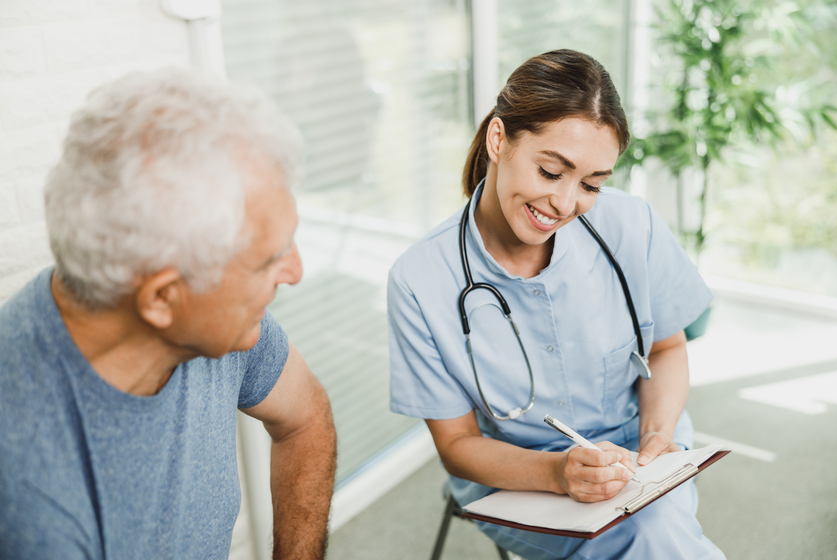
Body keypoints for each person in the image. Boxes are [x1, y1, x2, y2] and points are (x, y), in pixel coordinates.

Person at [387, 49, 725, 559]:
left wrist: (656, 437)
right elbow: (457, 446)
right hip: (518, 480)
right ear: (499, 140)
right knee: (652, 542)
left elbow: (666, 349)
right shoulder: (421, 281)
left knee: (653, 532)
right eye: (550, 172)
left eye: (591, 184)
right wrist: (557, 473)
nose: (566, 204)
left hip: (637, 455)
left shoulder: (631, 226)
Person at [0, 68, 336, 560]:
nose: (296, 271)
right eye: (269, 259)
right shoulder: (32, 499)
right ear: (161, 299)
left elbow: (306, 420)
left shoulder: (215, 319)